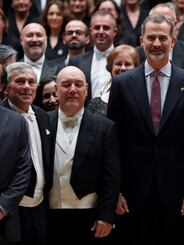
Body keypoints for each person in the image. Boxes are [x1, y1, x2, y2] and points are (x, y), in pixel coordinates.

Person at [106, 14, 184, 245]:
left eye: (163, 37)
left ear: (173, 41)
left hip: (177, 192)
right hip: (132, 192)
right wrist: (116, 191)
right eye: (151, 37)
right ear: (142, 40)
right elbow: (113, 142)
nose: (157, 43)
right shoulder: (122, 84)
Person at [47, 66, 121, 243]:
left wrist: (106, 216)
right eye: (66, 84)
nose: (72, 89)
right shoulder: (43, 121)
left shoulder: (105, 127)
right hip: (48, 215)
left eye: (78, 84)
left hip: (89, 216)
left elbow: (111, 176)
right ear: (56, 90)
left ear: (86, 89)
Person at [1, 62, 53, 244]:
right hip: (10, 208)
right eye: (20, 81)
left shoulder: (43, 115)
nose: (26, 87)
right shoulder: (3, 117)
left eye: (31, 82)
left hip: (40, 204)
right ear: (6, 88)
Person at [0, 65, 32, 243]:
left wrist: (2, 206)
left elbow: (23, 170)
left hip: (5, 218)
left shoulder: (16, 122)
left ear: (1, 86)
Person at [68, 10, 117, 102]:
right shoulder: (76, 61)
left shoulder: (124, 60)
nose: (101, 31)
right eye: (97, 27)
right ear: (91, 31)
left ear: (114, 32)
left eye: (106, 28)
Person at [87, 44, 139, 116]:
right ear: (110, 67)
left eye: (127, 64)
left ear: (136, 68)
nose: (123, 68)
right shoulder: (95, 104)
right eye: (118, 64)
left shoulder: (145, 101)